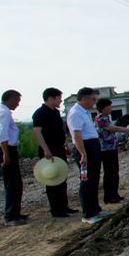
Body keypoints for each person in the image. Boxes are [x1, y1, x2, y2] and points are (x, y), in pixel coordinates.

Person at [32, 87, 78, 218]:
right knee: (52, 178)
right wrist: (45, 149)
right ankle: (56, 209)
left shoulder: (55, 112)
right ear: (51, 98)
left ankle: (64, 206)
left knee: (61, 177)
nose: (60, 101)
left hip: (59, 148)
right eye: (59, 98)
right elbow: (37, 132)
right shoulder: (40, 113)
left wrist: (65, 146)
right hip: (49, 150)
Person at [67, 87, 109, 224]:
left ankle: (95, 210)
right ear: (84, 99)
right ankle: (88, 214)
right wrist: (83, 154)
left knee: (94, 179)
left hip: (92, 146)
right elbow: (77, 135)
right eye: (92, 99)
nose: (94, 102)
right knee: (87, 181)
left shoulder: (84, 112)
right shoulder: (75, 113)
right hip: (85, 148)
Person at [0, 90, 26, 226]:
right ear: (10, 99)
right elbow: (2, 134)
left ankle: (15, 213)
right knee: (12, 184)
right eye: (17, 101)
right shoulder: (4, 112)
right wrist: (6, 154)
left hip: (1, 149)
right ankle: (11, 216)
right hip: (5, 149)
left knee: (14, 183)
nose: (18, 104)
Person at [94, 98, 129, 203]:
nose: (111, 108)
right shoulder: (100, 119)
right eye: (109, 106)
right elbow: (114, 129)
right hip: (106, 150)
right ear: (104, 107)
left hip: (111, 148)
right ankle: (110, 197)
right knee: (110, 173)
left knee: (114, 172)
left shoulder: (105, 118)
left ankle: (114, 195)